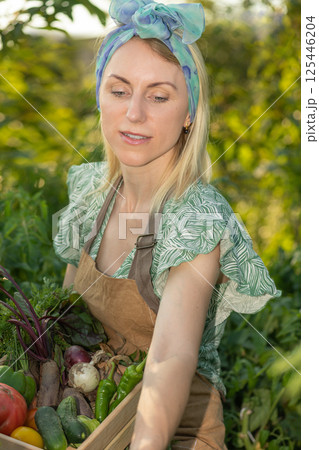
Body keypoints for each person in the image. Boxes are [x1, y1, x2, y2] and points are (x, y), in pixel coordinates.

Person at [53, 1, 281, 448]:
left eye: (158, 96)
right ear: (99, 95)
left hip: (172, 432)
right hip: (89, 414)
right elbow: (66, 313)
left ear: (189, 112)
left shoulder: (195, 219)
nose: (134, 113)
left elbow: (170, 358)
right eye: (119, 91)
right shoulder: (90, 194)